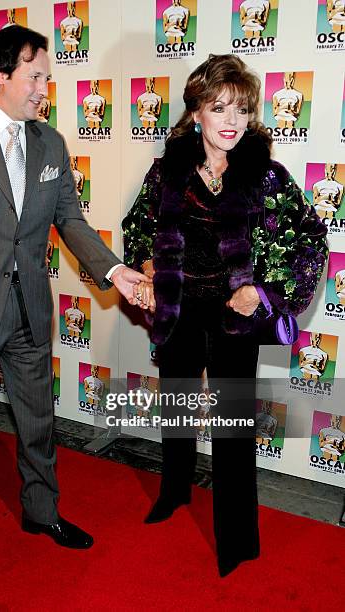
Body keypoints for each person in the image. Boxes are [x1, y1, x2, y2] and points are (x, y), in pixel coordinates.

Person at [0, 25, 150, 555]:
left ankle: (41, 513)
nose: (45, 87)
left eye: (47, 76)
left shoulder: (50, 143)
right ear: (1, 74)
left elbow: (71, 220)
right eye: (35, 75)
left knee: (38, 419)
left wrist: (115, 272)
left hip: (30, 310)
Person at [122, 54, 328, 577]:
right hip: (178, 307)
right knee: (178, 407)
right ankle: (174, 493)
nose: (232, 120)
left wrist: (262, 291)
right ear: (197, 113)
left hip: (235, 315)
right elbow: (137, 226)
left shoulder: (267, 176)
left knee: (233, 428)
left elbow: (311, 238)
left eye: (241, 108)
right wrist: (147, 264)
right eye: (219, 108)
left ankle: (237, 540)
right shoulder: (168, 171)